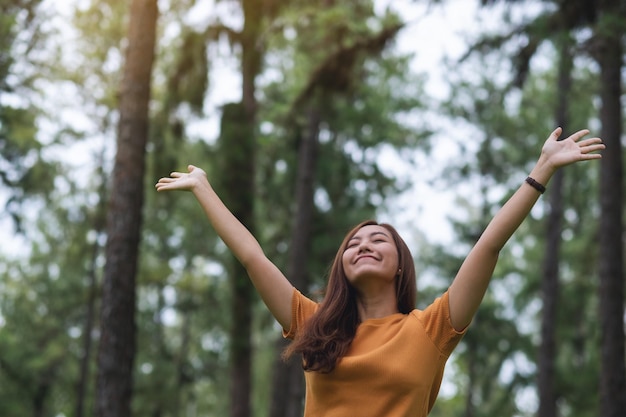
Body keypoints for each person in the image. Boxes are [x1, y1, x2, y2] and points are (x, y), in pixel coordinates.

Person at [155, 127, 604, 417]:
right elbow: (253, 257)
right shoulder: (313, 326)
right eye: (352, 243)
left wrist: (540, 170)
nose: (363, 245)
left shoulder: (431, 329)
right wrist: (203, 189)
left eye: (377, 240)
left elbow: (489, 245)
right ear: (341, 267)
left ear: (399, 265)